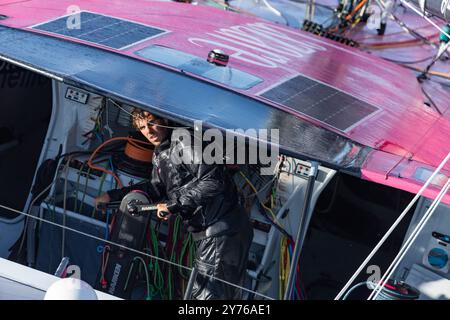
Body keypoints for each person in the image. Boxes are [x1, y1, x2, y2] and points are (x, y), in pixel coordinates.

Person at [95, 108, 253, 300]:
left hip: (222, 230)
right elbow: (155, 189)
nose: (149, 131)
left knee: (207, 297)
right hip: (216, 232)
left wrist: (175, 204)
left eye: (151, 123)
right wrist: (113, 197)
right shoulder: (161, 151)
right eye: (142, 127)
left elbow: (214, 181)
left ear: (165, 121)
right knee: (211, 294)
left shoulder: (183, 141)